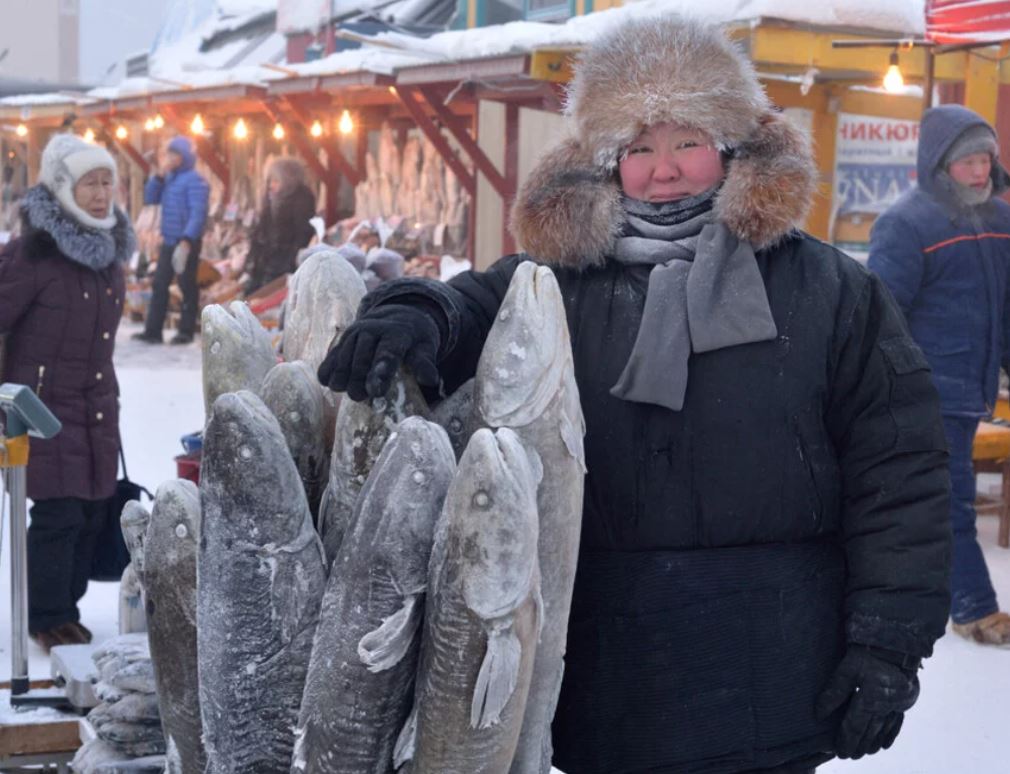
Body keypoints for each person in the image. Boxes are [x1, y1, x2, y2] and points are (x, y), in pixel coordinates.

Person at [318, 16, 953, 773]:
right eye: (639, 149)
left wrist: (889, 641)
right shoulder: (555, 283)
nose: (665, 170)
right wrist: (412, 313)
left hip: (776, 669)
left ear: (732, 147)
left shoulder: (832, 291)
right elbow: (466, 310)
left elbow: (900, 473)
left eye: (688, 141)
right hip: (606, 677)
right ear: (604, 163)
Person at [869, 104, 1010, 647]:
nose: (979, 172)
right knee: (950, 500)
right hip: (928, 391)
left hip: (975, 389)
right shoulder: (906, 224)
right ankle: (974, 608)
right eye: (967, 162)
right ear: (939, 163)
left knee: (931, 500)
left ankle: (914, 591)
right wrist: (892, 389)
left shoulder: (999, 222)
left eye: (985, 160)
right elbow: (881, 318)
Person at [0, 133, 135, 652]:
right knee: (59, 514)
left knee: (94, 511)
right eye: (88, 184)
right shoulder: (32, 254)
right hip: (40, 408)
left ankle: (67, 611)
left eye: (106, 183)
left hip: (96, 405)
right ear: (62, 188)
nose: (101, 194)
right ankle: (47, 616)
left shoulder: (109, 257)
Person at [133, 135, 209, 345]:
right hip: (169, 239)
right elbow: (150, 198)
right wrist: (158, 176)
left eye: (174, 155)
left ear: (184, 157)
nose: (170, 158)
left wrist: (188, 239)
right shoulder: (169, 178)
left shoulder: (196, 180)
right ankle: (153, 330)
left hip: (186, 241)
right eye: (169, 154)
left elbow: (198, 213)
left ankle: (186, 331)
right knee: (160, 283)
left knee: (186, 285)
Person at [243, 156, 316, 295]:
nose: (271, 185)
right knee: (255, 294)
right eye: (270, 181)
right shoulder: (271, 198)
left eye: (276, 181)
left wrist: (290, 261)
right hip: (265, 259)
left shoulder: (302, 198)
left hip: (285, 261)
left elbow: (303, 233)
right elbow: (262, 227)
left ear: (288, 180)